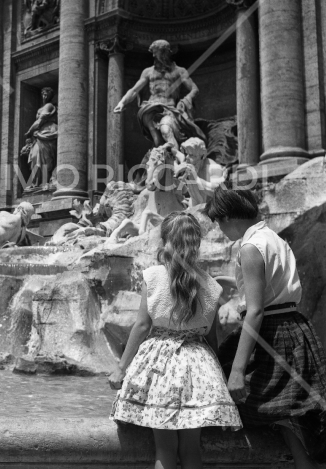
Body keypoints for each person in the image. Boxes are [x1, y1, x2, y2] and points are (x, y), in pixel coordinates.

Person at [108, 212, 241, 469]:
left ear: (166, 240)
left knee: (165, 449)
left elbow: (143, 325)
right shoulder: (212, 286)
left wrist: (120, 368)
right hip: (199, 366)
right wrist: (220, 377)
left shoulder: (153, 276)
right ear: (196, 244)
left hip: (161, 365)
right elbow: (211, 337)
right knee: (192, 451)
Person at [205, 187, 326, 467]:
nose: (219, 228)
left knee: (227, 392)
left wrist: (237, 372)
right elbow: (273, 287)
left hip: (271, 334)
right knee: (291, 410)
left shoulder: (249, 248)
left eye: (218, 221)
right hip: (294, 327)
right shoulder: (274, 239)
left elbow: (256, 310)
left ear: (228, 217)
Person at [113, 40, 206, 151]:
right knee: (158, 141)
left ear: (165, 52)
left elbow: (194, 89)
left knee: (166, 131)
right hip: (150, 110)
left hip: (169, 109)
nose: (153, 55)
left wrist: (185, 100)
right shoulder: (147, 72)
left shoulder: (180, 71)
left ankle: (176, 160)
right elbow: (134, 90)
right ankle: (164, 162)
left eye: (155, 52)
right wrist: (122, 102)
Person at [174, 137, 225, 207]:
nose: (187, 158)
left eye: (191, 155)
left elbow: (218, 192)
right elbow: (181, 191)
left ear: (203, 156)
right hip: (194, 209)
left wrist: (195, 178)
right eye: (186, 154)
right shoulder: (191, 168)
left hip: (211, 212)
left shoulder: (214, 168)